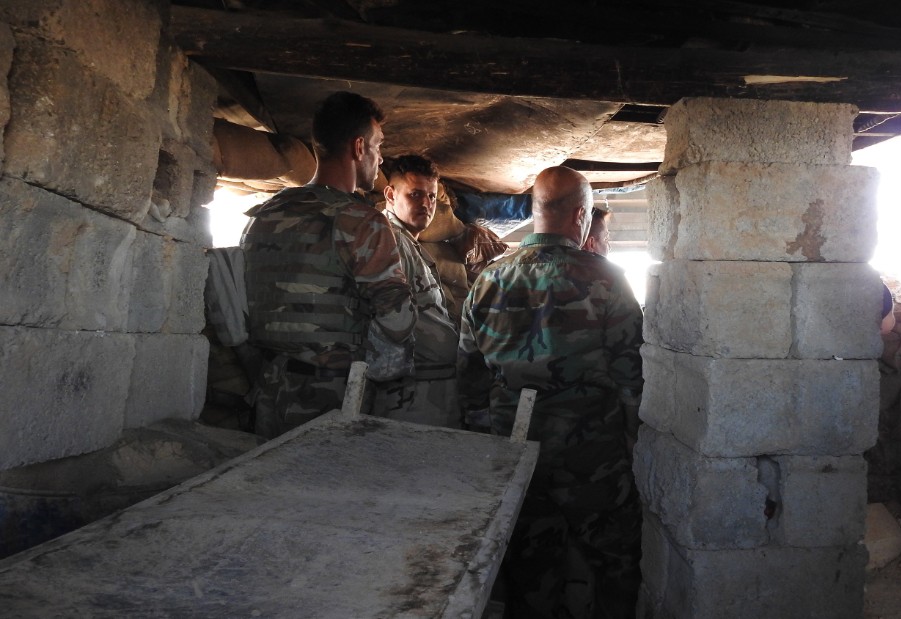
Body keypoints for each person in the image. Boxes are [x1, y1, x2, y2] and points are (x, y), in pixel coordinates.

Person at [458, 166, 644, 619]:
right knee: (614, 563)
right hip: (591, 453)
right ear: (581, 215)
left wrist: (489, 434)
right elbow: (631, 377)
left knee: (529, 571)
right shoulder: (607, 280)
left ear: (535, 210)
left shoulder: (487, 280)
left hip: (515, 450)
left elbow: (469, 375)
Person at [241, 91, 416, 439]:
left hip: (267, 392)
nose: (380, 159)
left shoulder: (263, 214)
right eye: (378, 146)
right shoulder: (361, 221)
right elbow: (398, 321)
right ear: (358, 148)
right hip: (331, 398)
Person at [374, 154, 462, 428]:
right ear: (390, 195)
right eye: (415, 194)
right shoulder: (389, 243)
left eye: (432, 196)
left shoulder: (409, 244)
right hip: (410, 394)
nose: (426, 204)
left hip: (427, 388)